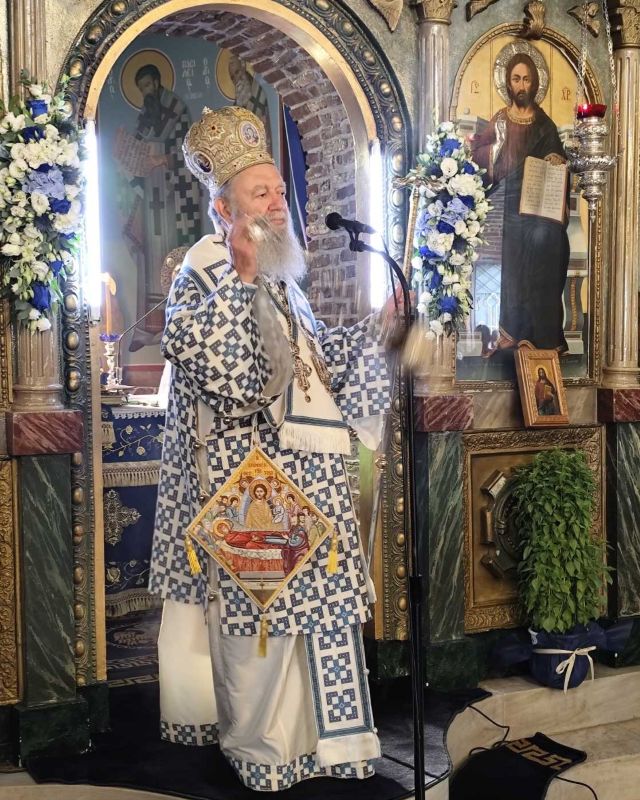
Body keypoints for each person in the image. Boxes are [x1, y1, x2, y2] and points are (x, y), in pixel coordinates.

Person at [149, 105, 389, 791]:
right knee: (263, 628)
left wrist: (379, 333)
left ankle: (325, 749)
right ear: (225, 209)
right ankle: (263, 754)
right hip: (249, 483)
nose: (279, 201)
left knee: (315, 621)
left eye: (280, 191)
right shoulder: (207, 269)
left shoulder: (285, 278)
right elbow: (217, 369)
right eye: (262, 193)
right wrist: (243, 276)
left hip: (309, 477)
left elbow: (314, 365)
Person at [472, 51, 570, 353]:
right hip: (507, 206)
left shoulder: (544, 125)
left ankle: (544, 336)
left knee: (550, 239)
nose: (522, 85)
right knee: (513, 245)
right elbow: (477, 155)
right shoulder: (500, 121)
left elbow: (558, 160)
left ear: (535, 83)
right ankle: (511, 331)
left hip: (538, 206)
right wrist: (494, 150)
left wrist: (556, 161)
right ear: (508, 82)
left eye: (527, 79)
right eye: (516, 79)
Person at [115, 63, 201, 351]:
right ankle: (150, 327)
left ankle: (181, 324)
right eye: (141, 89)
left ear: (158, 82)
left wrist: (163, 159)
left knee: (174, 254)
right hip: (152, 195)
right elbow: (137, 149)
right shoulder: (146, 115)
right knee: (150, 257)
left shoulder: (177, 109)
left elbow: (191, 151)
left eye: (148, 85)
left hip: (175, 196)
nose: (146, 92)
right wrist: (125, 155)